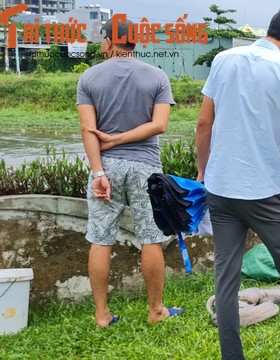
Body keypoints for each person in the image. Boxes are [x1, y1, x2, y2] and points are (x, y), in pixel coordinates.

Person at [195, 7, 280, 360]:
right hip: (264, 191)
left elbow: (203, 124)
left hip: (221, 188)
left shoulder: (224, 60)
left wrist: (202, 172)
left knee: (226, 276)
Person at [77, 18, 179, 328]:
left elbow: (87, 129)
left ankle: (102, 315)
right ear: (136, 42)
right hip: (146, 166)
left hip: (105, 165)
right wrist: (123, 139)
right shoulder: (157, 76)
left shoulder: (89, 77)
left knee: (101, 238)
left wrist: (98, 172)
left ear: (108, 42)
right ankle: (156, 311)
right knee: (150, 237)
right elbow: (159, 125)